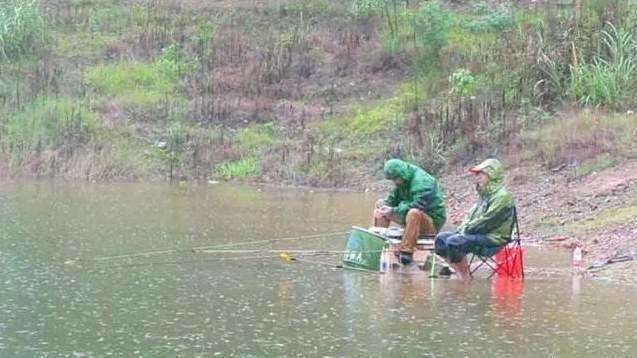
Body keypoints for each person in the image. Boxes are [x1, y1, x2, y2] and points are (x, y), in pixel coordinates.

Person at [435, 158, 516, 280]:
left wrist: (464, 231)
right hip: (477, 234)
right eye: (476, 174)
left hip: (494, 238)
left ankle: (464, 279)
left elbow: (487, 222)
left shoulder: (502, 197)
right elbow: (470, 218)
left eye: (480, 174)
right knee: (440, 239)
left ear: (491, 175)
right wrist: (462, 229)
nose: (476, 177)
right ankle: (460, 273)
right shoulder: (484, 196)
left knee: (454, 242)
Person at [374, 159, 446, 265]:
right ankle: (377, 244)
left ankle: (406, 252)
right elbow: (393, 199)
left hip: (431, 223)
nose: (394, 182)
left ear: (401, 174)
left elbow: (417, 205)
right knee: (381, 204)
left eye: (395, 179)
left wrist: (393, 210)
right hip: (409, 218)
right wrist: (385, 208)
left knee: (414, 213)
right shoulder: (403, 180)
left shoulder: (422, 181)